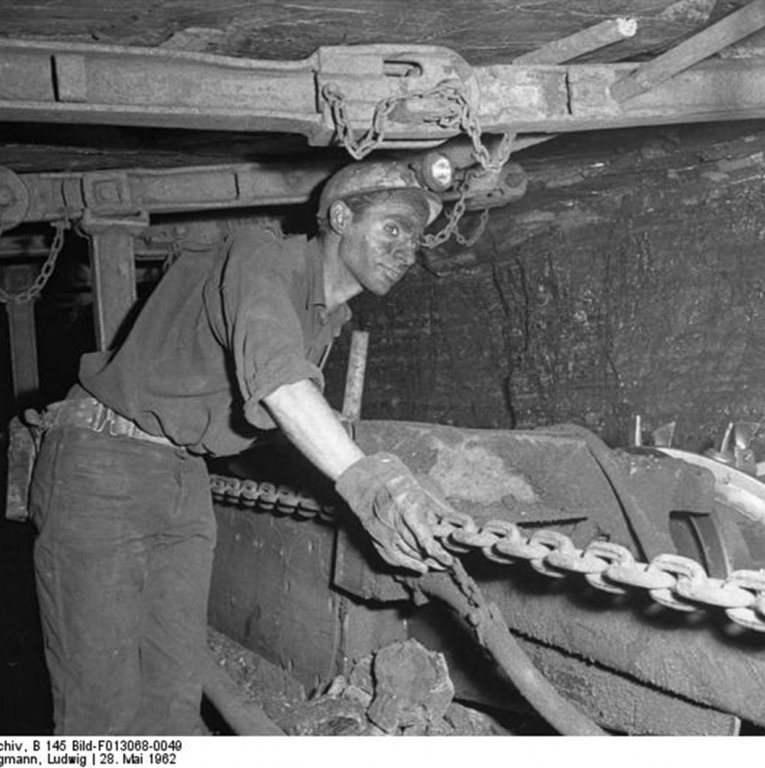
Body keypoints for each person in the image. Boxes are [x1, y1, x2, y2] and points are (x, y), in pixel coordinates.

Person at [28, 160, 456, 735]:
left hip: (182, 475)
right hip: (103, 462)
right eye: (394, 228)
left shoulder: (327, 319)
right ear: (339, 216)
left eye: (416, 237)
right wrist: (368, 483)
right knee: (98, 711)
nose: (408, 251)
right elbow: (279, 382)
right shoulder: (261, 256)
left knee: (173, 699)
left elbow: (297, 414)